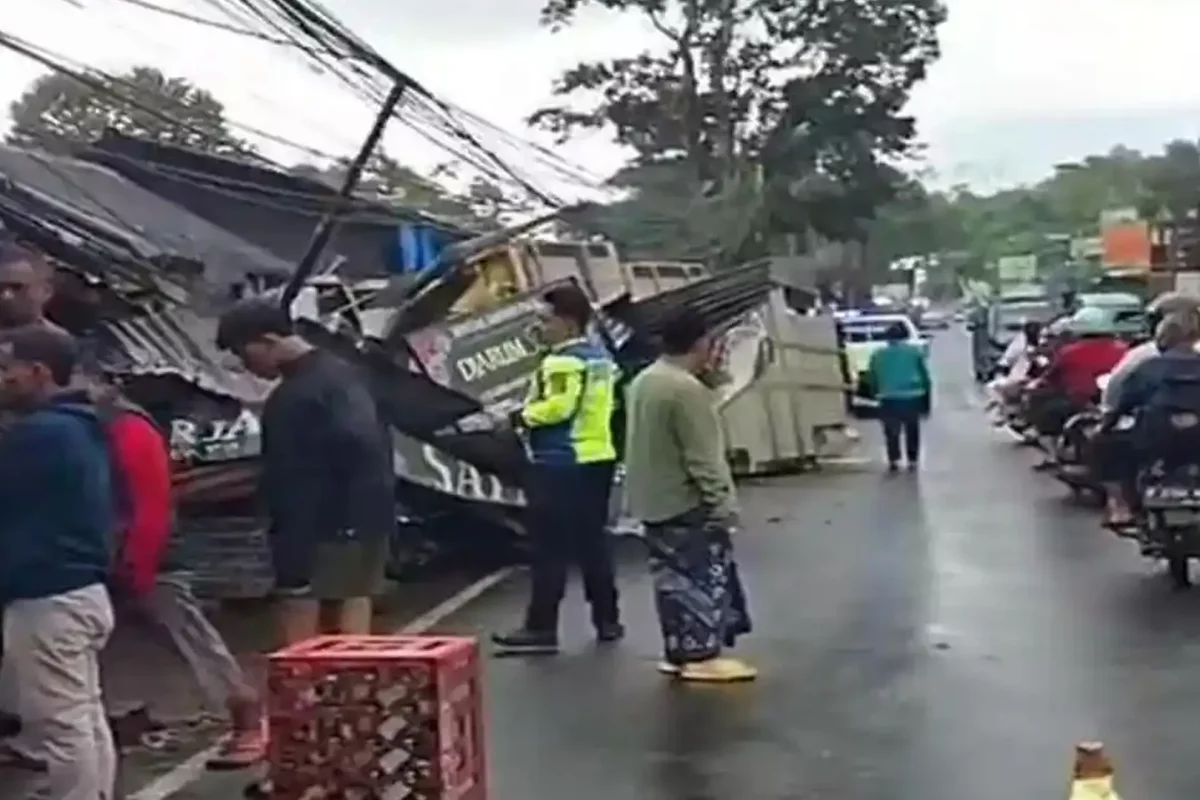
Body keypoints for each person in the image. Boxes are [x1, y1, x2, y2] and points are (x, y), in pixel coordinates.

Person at [92, 374, 266, 768]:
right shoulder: (90, 423)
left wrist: (137, 561)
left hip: (143, 552)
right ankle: (124, 717)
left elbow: (151, 500)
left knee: (186, 634)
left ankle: (246, 718)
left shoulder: (123, 425)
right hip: (103, 552)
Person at [215, 299, 396, 644]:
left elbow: (291, 477)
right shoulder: (350, 372)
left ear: (267, 341)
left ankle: (305, 692)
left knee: (298, 606)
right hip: (370, 512)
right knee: (356, 602)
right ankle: (354, 688)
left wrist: (291, 537)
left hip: (319, 523)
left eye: (245, 353)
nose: (246, 365)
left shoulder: (294, 397)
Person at [0, 326, 116, 800]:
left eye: (6, 370)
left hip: (47, 598)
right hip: (82, 591)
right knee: (84, 715)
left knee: (62, 725)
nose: (2, 379)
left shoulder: (39, 435)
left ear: (38, 372)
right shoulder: (80, 427)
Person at [623, 308, 753, 682]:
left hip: (652, 500)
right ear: (700, 344)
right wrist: (724, 504)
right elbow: (703, 457)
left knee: (670, 582)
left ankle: (678, 651)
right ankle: (701, 654)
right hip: (686, 501)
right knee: (700, 578)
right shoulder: (685, 390)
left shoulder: (645, 380)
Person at [492, 285, 622, 655]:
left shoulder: (561, 362)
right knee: (593, 542)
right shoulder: (600, 358)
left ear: (566, 322)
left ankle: (541, 628)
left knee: (549, 547)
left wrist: (517, 417)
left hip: (560, 461)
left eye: (544, 320)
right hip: (597, 457)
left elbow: (559, 408)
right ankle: (608, 619)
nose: (540, 327)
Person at [1027, 308, 1127, 469]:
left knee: (1045, 414)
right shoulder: (1124, 350)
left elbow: (1050, 377)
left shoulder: (1069, 352)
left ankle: (1054, 455)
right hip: (1117, 403)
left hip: (1079, 402)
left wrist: (1037, 386)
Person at [865, 320, 932, 471]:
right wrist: (927, 398)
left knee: (891, 430)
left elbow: (872, 377)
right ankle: (912, 460)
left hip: (888, 397)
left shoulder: (878, 355)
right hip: (912, 396)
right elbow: (925, 376)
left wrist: (875, 392)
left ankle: (894, 459)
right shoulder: (914, 352)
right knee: (912, 429)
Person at [987, 319, 1042, 416]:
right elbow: (1009, 358)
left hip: (1034, 377)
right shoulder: (1022, 344)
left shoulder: (1037, 344)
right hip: (1025, 377)